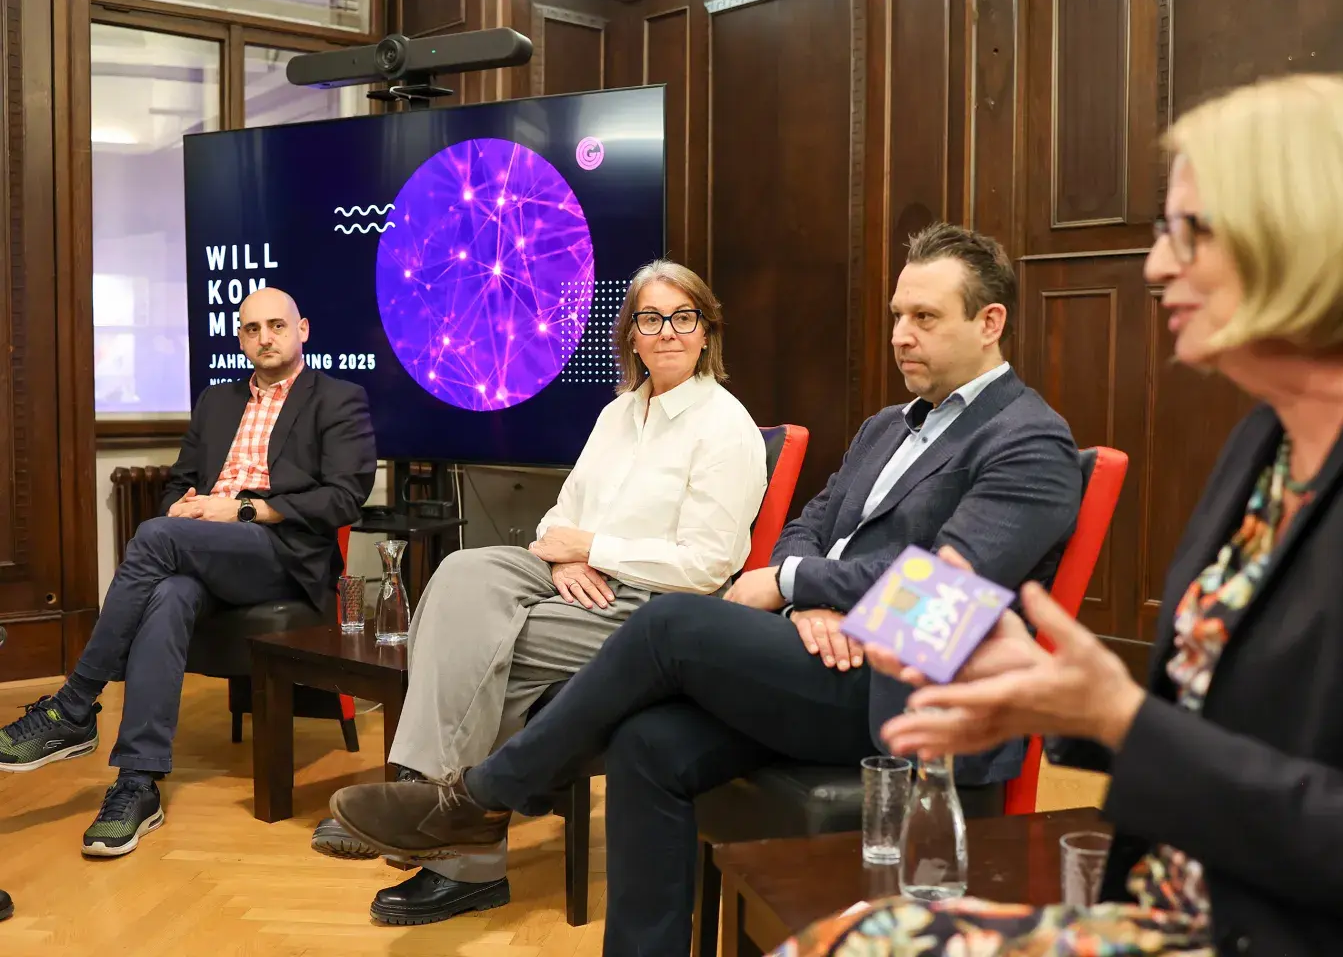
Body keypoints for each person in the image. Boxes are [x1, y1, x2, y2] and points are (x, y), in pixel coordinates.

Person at [768, 73, 1343, 957]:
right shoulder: (1267, 438)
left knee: (671, 639)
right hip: (1181, 900)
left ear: (1313, 231)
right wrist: (1081, 711)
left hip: (1274, 932)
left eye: (1186, 232)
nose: (1157, 265)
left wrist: (1115, 718)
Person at [324, 223, 1085, 954]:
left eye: (924, 317)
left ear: (990, 322)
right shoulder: (889, 426)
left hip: (906, 689)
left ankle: (479, 800)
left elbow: (943, 590)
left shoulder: (1028, 441)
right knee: (646, 742)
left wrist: (790, 582)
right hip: (818, 647)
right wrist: (806, 593)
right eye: (896, 315)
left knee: (670, 626)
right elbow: (808, 525)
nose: (900, 335)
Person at [311, 260, 768, 926]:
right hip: (573, 575)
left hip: (659, 610)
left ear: (706, 332)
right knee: (462, 573)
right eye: (650, 318)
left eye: (683, 317)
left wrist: (593, 550)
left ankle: (454, 847)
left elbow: (706, 566)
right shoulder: (617, 415)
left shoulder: (726, 428)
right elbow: (561, 513)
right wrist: (561, 561)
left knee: (496, 643)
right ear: (631, 336)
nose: (667, 331)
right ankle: (425, 794)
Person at [0, 287, 377, 858]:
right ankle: (137, 784)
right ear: (241, 337)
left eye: (276, 325)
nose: (264, 337)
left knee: (154, 538)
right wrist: (182, 506)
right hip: (206, 546)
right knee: (170, 592)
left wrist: (245, 508)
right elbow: (180, 481)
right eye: (252, 328)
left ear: (303, 329)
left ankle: (75, 706)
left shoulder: (338, 399)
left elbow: (345, 498)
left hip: (281, 555)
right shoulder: (217, 402)